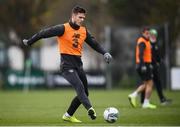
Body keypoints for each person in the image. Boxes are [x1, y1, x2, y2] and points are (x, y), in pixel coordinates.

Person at [23, 6, 112, 123]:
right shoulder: (63, 28)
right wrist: (30, 42)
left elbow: (94, 44)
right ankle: (90, 108)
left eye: (83, 18)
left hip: (79, 66)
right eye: (80, 17)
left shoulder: (84, 31)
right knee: (79, 87)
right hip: (66, 67)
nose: (82, 19)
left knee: (85, 92)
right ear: (73, 16)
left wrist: (104, 52)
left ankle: (68, 115)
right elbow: (43, 33)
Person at [140, 28, 172, 105]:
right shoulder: (147, 43)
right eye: (152, 34)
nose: (153, 36)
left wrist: (159, 61)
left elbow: (157, 56)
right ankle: (142, 100)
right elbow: (146, 55)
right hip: (149, 66)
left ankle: (162, 99)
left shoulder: (155, 44)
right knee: (147, 83)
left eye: (155, 35)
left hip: (154, 66)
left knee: (158, 83)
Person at [128, 27, 156, 109]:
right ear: (143, 33)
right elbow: (140, 54)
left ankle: (134, 95)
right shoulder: (142, 41)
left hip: (144, 64)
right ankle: (145, 102)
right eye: (147, 33)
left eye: (149, 33)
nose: (148, 35)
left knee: (146, 84)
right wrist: (143, 65)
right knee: (150, 84)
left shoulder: (146, 41)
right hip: (143, 65)